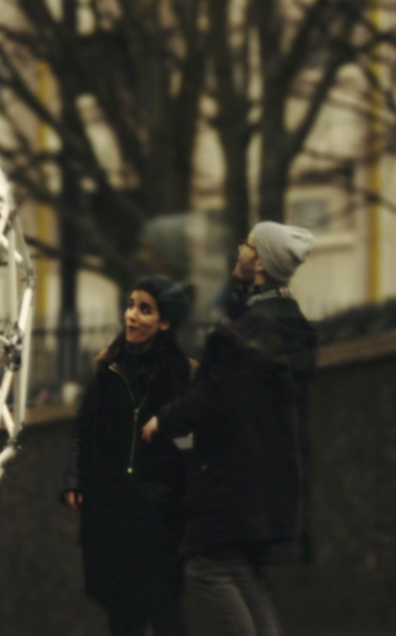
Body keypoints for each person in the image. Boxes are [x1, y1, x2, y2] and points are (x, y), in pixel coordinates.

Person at [142, 222, 319, 636]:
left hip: (233, 477)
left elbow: (216, 394)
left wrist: (163, 419)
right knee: (239, 566)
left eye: (248, 245)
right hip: (273, 476)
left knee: (207, 564)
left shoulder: (244, 332)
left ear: (258, 262)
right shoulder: (293, 326)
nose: (240, 249)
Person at [61, 276, 193, 636]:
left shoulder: (181, 374)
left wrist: (168, 427)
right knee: (121, 613)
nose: (131, 316)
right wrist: (74, 479)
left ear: (164, 323)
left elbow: (193, 443)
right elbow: (82, 429)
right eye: (131, 305)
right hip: (111, 508)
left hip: (159, 512)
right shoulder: (108, 367)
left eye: (145, 309)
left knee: (164, 609)